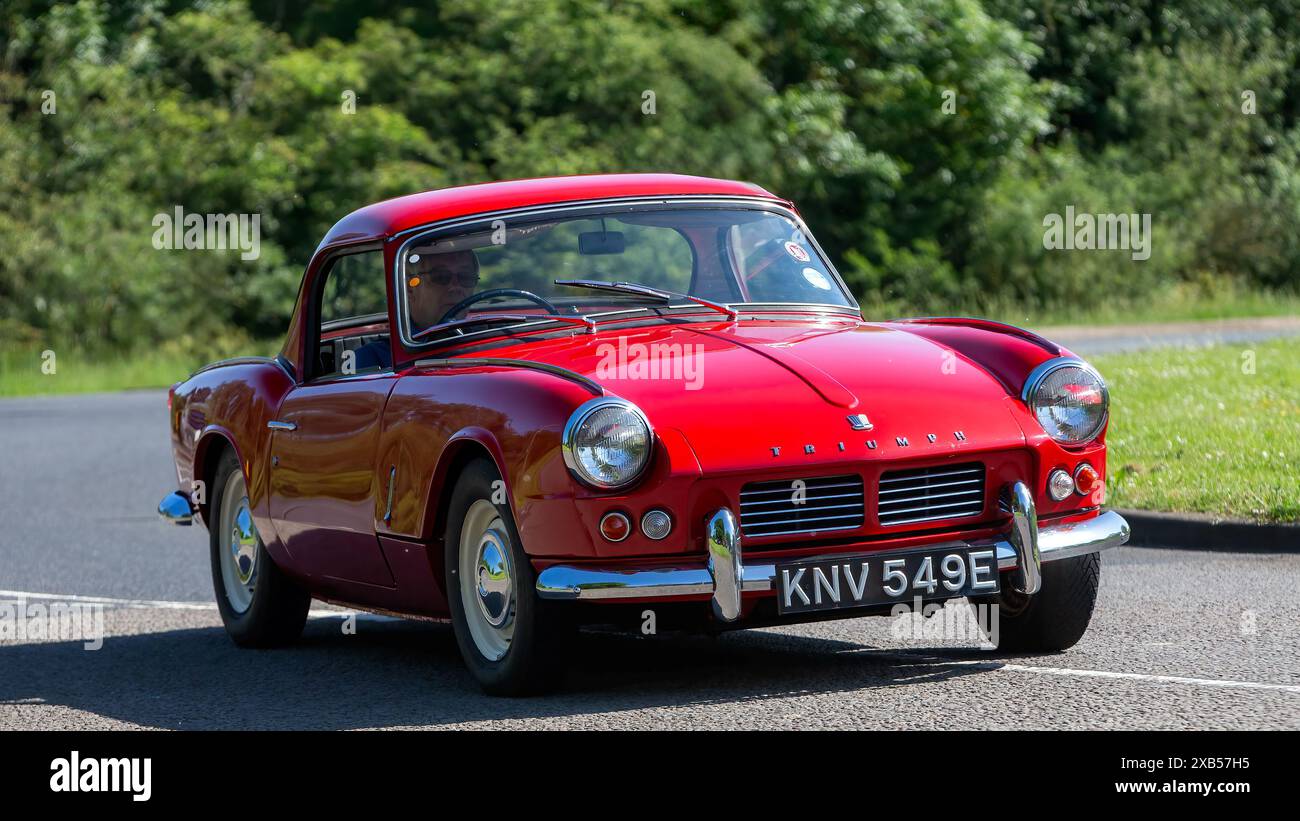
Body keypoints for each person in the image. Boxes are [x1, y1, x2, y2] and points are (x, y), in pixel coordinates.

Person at [352, 249, 481, 371]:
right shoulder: (373, 359)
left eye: (466, 277)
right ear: (410, 289)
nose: (455, 287)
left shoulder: (488, 338)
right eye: (441, 277)